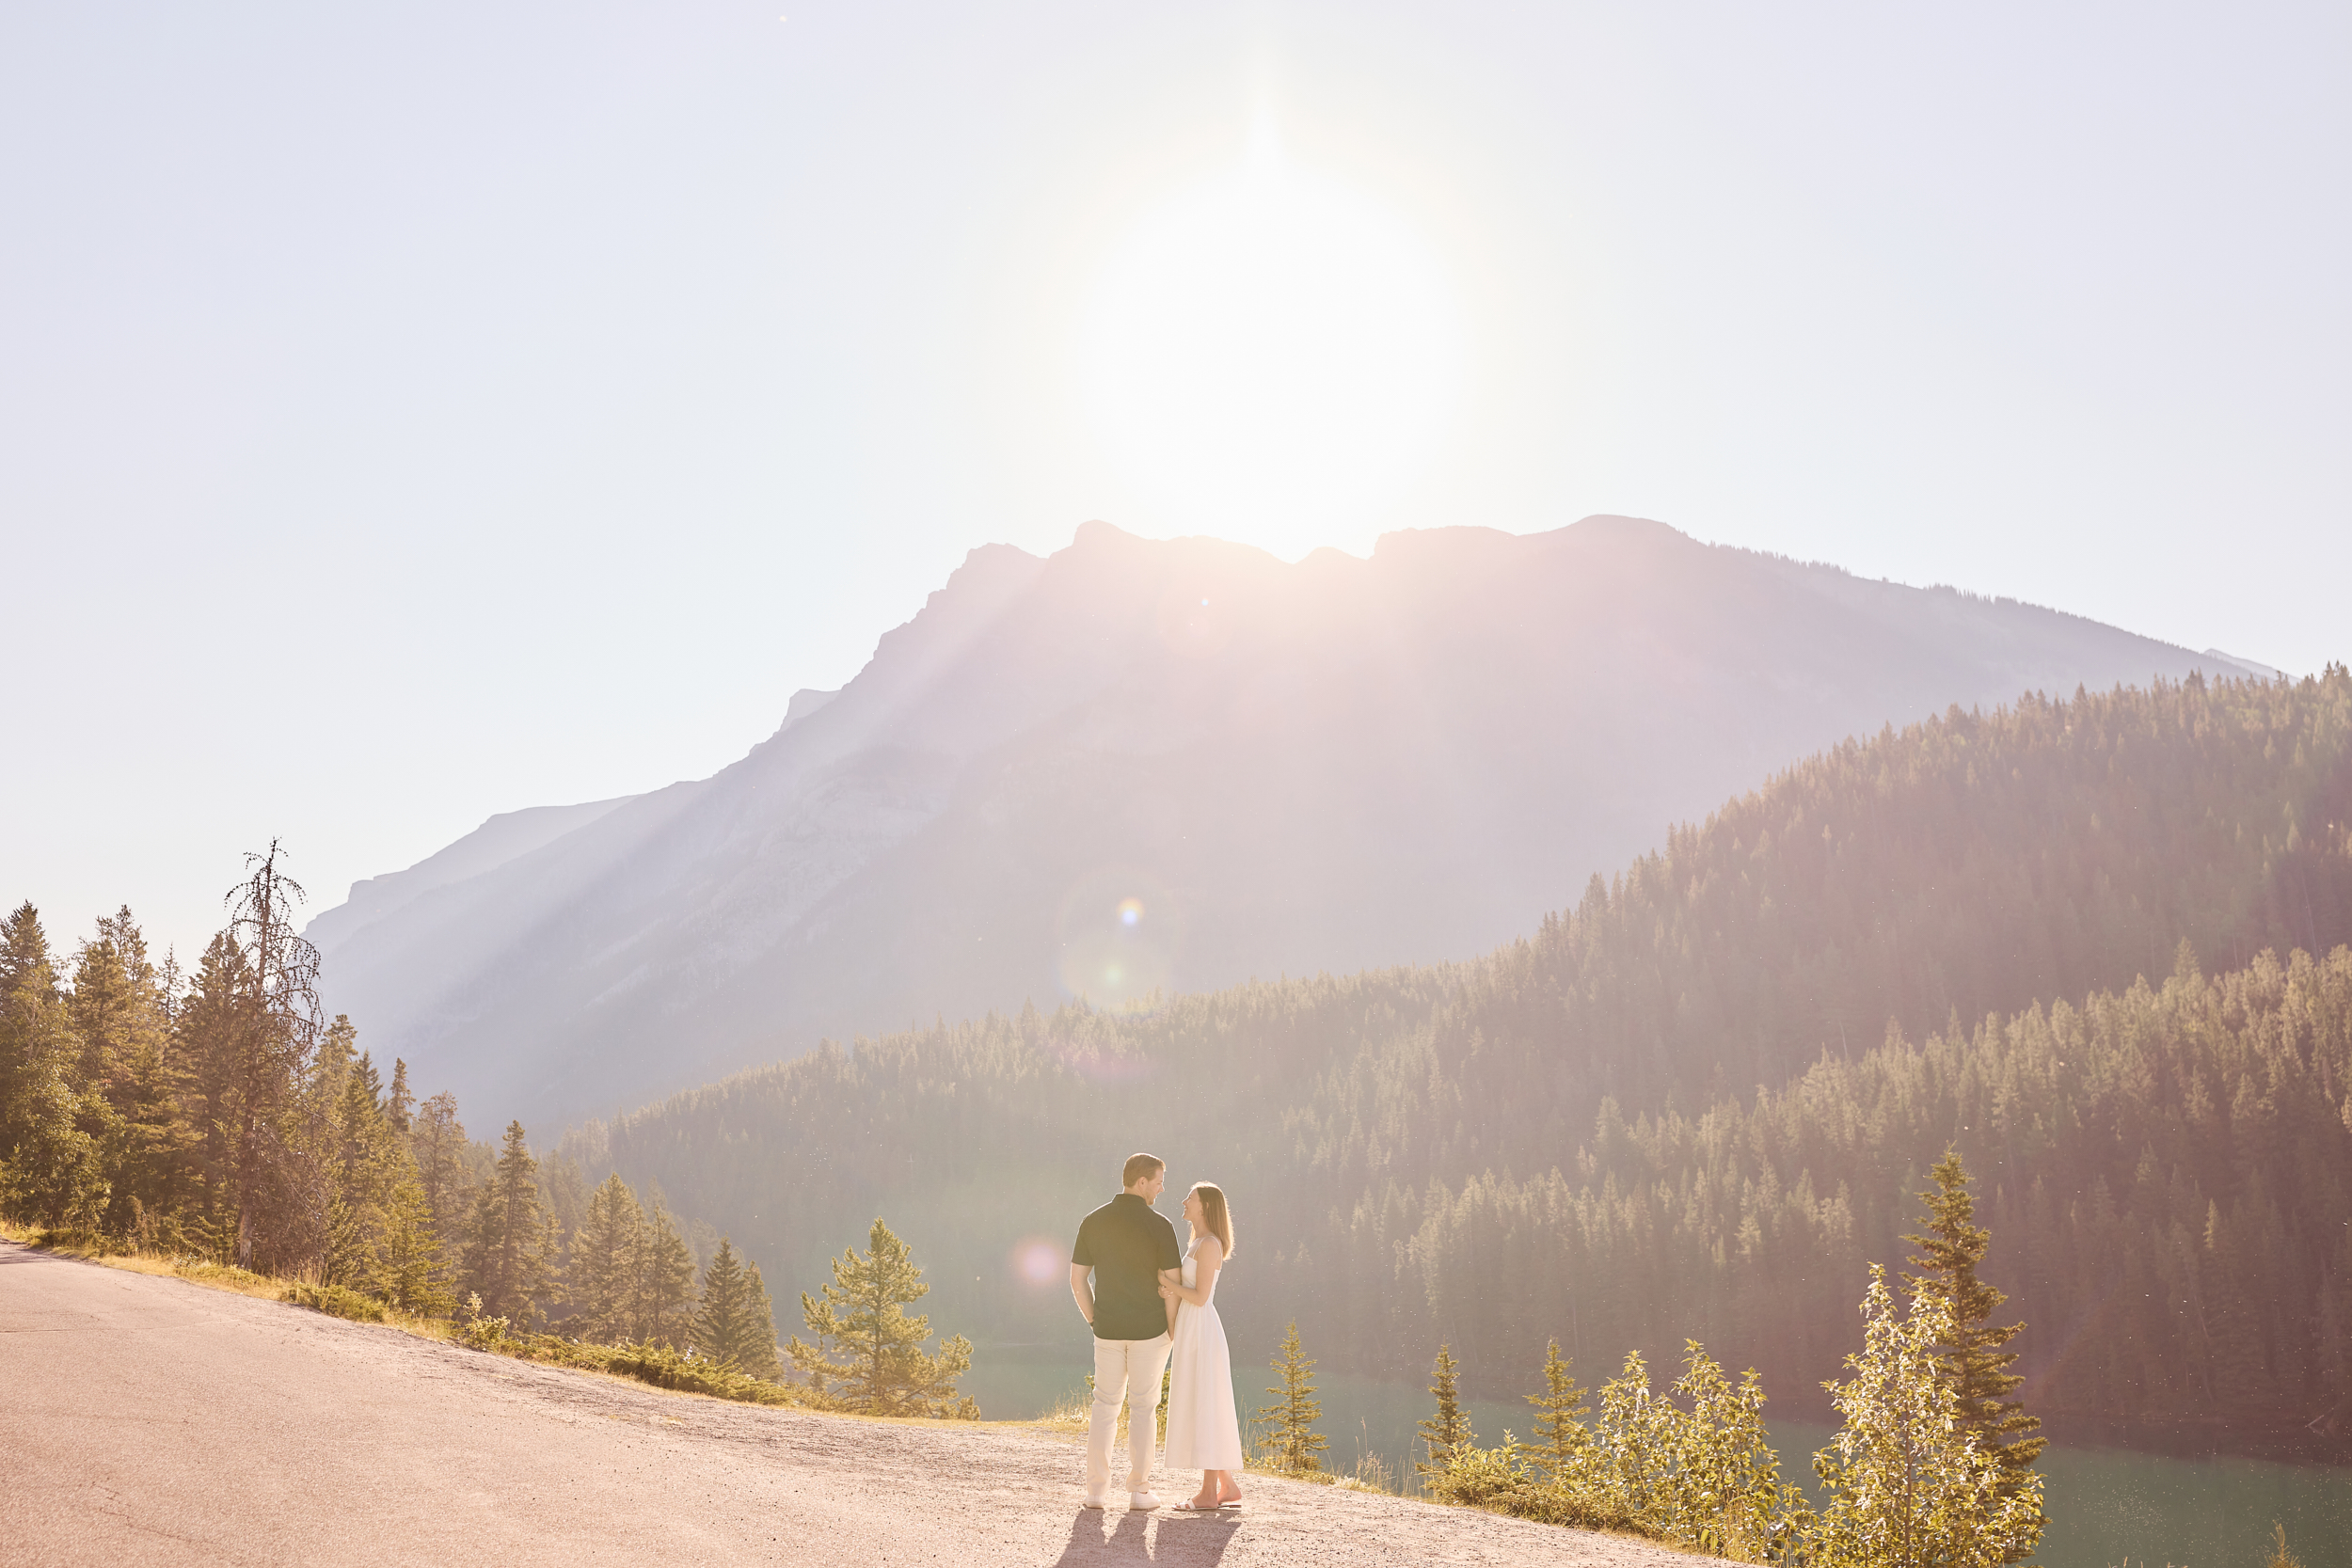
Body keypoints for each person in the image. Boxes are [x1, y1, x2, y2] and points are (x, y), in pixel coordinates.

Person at [1071, 1152, 1183, 1510]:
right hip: (1150, 1331)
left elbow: (1077, 1281)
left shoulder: (1094, 1220)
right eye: (1159, 1181)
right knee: (1143, 1408)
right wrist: (1171, 1331)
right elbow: (1172, 1283)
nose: (1162, 1188)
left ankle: (1095, 1493)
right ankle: (1138, 1491)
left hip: (1107, 1330)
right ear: (1142, 1182)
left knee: (1104, 1406)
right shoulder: (1160, 1226)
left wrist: (1094, 1320)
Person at [1158, 1181, 1244, 1510]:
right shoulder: (1197, 1243)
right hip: (1192, 1327)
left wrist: (1168, 1284)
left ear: (1204, 1206)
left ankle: (1209, 1494)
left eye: (1189, 1198)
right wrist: (1172, 1289)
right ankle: (1228, 1486)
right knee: (1199, 1401)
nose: (1183, 1201)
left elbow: (1200, 1296)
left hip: (1202, 1329)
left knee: (1206, 1405)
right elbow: (1188, 1290)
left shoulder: (1208, 1244)